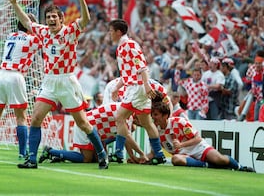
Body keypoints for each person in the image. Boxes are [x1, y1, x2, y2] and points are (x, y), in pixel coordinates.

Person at [6, 0, 109, 169]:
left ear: (61, 19)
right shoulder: (43, 32)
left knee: (83, 124)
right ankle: (32, 159)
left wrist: (81, 0)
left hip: (67, 81)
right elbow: (27, 21)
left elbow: (85, 20)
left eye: (54, 16)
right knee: (36, 117)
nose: (51, 19)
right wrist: (14, 3)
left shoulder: (70, 31)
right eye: (48, 17)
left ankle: (102, 154)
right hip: (49, 81)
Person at [0, 14, 41, 160]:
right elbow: (45, 38)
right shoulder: (32, 39)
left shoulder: (10, 36)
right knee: (21, 117)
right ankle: (21, 153)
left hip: (1, 75)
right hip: (16, 76)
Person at [107, 19, 166, 165]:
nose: (109, 33)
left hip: (137, 87)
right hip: (134, 87)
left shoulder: (130, 44)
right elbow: (128, 73)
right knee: (147, 123)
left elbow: (142, 65)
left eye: (111, 31)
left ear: (118, 32)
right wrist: (117, 87)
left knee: (120, 117)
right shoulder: (121, 47)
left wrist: (146, 85)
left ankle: (119, 153)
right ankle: (159, 155)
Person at [144, 101, 255, 172]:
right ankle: (208, 166)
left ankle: (241, 167)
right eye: (152, 115)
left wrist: (181, 144)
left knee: (220, 159)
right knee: (175, 159)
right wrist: (141, 158)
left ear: (165, 115)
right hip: (183, 155)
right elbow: (154, 153)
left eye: (156, 115)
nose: (153, 118)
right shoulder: (155, 131)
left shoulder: (179, 122)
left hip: (198, 148)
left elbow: (198, 139)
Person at [38, 102, 148, 164]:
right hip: (86, 125)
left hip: (95, 129)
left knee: (95, 160)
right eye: (142, 122)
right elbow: (127, 137)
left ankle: (63, 156)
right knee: (86, 159)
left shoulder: (126, 112)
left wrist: (133, 156)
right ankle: (51, 152)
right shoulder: (126, 116)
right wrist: (142, 154)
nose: (141, 124)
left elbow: (124, 136)